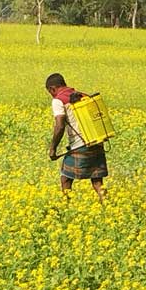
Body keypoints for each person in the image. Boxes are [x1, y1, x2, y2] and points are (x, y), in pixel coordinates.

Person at [45, 73, 108, 201]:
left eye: (50, 92)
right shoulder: (81, 95)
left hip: (79, 144)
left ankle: (66, 207)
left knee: (66, 178)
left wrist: (53, 148)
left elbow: (60, 126)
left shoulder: (58, 100)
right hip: (97, 140)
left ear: (52, 88)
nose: (51, 95)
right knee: (97, 180)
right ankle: (107, 205)